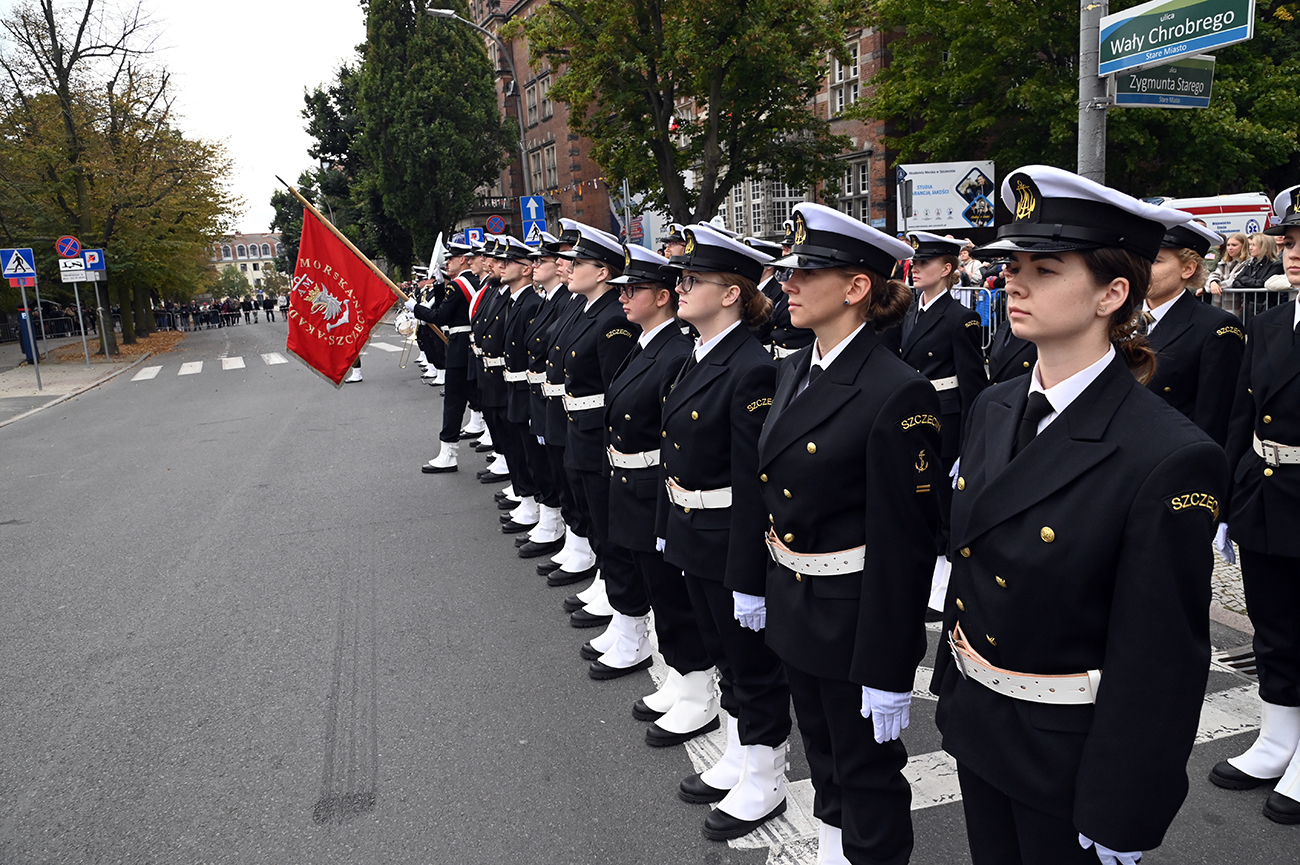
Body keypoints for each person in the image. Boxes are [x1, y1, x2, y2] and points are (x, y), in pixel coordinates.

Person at [932, 165, 1228, 865]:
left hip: (1066, 750)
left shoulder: (1166, 453)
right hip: (981, 722)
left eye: (1046, 267)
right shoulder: (996, 405)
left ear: (1112, 293)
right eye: (1012, 264)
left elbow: (1160, 656)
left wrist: (1126, 802)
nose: (1016, 281)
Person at [760, 202, 942, 864]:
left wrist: (891, 666)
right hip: (798, 607)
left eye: (808, 272)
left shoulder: (897, 390)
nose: (790, 284)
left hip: (854, 620)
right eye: (789, 271)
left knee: (868, 777)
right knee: (827, 763)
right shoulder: (794, 368)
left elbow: (907, 545)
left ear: (858, 286)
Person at [654, 224, 789, 841]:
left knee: (750, 663)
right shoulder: (698, 355)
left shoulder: (751, 368)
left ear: (732, 293)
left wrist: (748, 575)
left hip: (728, 537)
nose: (679, 288)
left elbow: (752, 483)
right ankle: (738, 752)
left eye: (691, 280)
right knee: (724, 655)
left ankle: (766, 773)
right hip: (692, 529)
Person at [1211, 184, 1300, 825]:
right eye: (1289, 241)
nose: (1293, 253)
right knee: (1273, 625)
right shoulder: (1268, 323)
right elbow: (1243, 415)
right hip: (1268, 492)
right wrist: (1230, 494)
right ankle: (1277, 738)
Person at [586, 244, 707, 692]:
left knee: (671, 594)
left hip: (652, 484)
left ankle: (692, 684)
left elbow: (671, 438)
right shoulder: (644, 345)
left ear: (661, 297)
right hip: (629, 481)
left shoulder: (674, 352)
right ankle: (678, 675)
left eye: (633, 289)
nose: (622, 297)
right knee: (650, 583)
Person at [879, 231, 987, 617]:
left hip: (947, 419)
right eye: (914, 262)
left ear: (946, 268)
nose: (916, 269)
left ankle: (941, 588)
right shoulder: (910, 313)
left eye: (924, 263)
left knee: (941, 503)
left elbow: (974, 384)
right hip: (913, 416)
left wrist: (972, 441)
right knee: (915, 495)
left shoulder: (962, 318)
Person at [555, 223, 641, 630]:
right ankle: (605, 582)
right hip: (579, 428)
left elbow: (616, 394)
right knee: (593, 518)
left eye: (579, 262)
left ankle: (622, 606)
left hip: (597, 436)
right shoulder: (585, 308)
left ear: (602, 272)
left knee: (610, 528)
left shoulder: (612, 320)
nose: (569, 268)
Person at [1142, 219, 1245, 447]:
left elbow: (1214, 419)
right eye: (1139, 257)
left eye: (1155, 260)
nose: (1141, 267)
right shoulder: (1121, 319)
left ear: (1187, 269)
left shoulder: (1215, 327)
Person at [413, 240, 479, 473]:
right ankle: (494, 443)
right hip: (473, 347)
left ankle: (448, 452)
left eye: (450, 259)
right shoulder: (473, 282)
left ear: (463, 260)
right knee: (481, 399)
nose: (446, 262)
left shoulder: (460, 284)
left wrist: (415, 308)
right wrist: (440, 287)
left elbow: (440, 315)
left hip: (461, 348)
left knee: (454, 401)